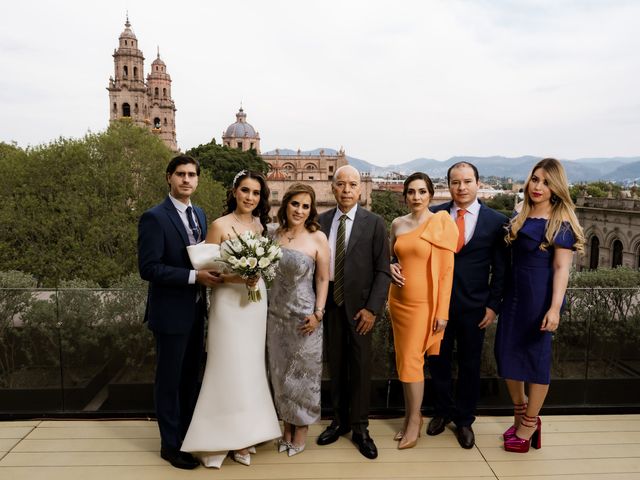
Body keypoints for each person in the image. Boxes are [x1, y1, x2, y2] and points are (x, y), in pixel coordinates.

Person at [396, 162, 507, 449]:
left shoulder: (496, 221)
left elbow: (501, 269)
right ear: (448, 185)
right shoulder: (434, 215)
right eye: (455, 182)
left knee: (470, 364)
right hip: (432, 307)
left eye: (467, 181)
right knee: (438, 363)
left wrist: (493, 306)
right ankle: (441, 412)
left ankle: (465, 421)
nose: (461, 187)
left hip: (474, 307)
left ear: (478, 183)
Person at [180, 170, 281, 468]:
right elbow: (210, 274)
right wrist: (240, 276)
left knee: (249, 368)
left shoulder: (261, 226)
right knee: (226, 366)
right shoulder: (218, 225)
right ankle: (216, 438)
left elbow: (263, 267)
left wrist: (256, 276)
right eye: (245, 190)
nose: (250, 197)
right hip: (227, 304)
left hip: (254, 303)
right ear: (235, 191)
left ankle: (244, 437)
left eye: (256, 193)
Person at [138, 155, 223, 470]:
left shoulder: (199, 213)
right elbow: (149, 268)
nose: (187, 179)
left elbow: (201, 257)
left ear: (197, 180)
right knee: (169, 381)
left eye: (192, 175)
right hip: (170, 313)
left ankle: (187, 438)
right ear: (169, 178)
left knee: (190, 379)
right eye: (181, 174)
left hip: (196, 311)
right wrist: (194, 278)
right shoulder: (154, 217)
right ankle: (170, 446)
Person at [495, 158, 584, 453]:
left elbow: (561, 269)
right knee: (507, 356)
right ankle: (521, 414)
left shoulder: (562, 221)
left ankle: (530, 422)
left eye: (546, 182)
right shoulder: (521, 213)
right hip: (514, 295)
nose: (538, 186)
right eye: (535, 179)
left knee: (535, 360)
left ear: (556, 187)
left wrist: (555, 308)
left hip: (540, 298)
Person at [316, 165, 392, 460]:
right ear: (332, 188)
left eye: (352, 185)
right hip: (330, 305)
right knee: (335, 366)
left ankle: (360, 428)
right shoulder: (321, 222)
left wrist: (373, 309)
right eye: (341, 184)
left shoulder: (374, 223)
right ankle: (339, 421)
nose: (346, 190)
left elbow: (383, 271)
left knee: (360, 369)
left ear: (360, 189)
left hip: (361, 309)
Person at [388, 172, 457, 449]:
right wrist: (390, 265)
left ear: (431, 194)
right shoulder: (396, 224)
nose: (416, 197)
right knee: (405, 362)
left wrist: (442, 312)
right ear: (405, 195)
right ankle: (409, 419)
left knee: (412, 363)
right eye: (411, 192)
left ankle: (415, 422)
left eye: (422, 191)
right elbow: (393, 257)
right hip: (398, 302)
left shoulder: (440, 222)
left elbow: (446, 273)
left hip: (424, 306)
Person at [267, 183, 330, 457]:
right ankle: (286, 427)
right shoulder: (273, 234)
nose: (300, 210)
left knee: (303, 375)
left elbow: (322, 278)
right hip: (275, 317)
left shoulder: (317, 238)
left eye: (306, 206)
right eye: (295, 204)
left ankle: (301, 428)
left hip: (305, 318)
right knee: (280, 374)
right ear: (286, 204)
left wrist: (318, 313)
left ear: (311, 210)